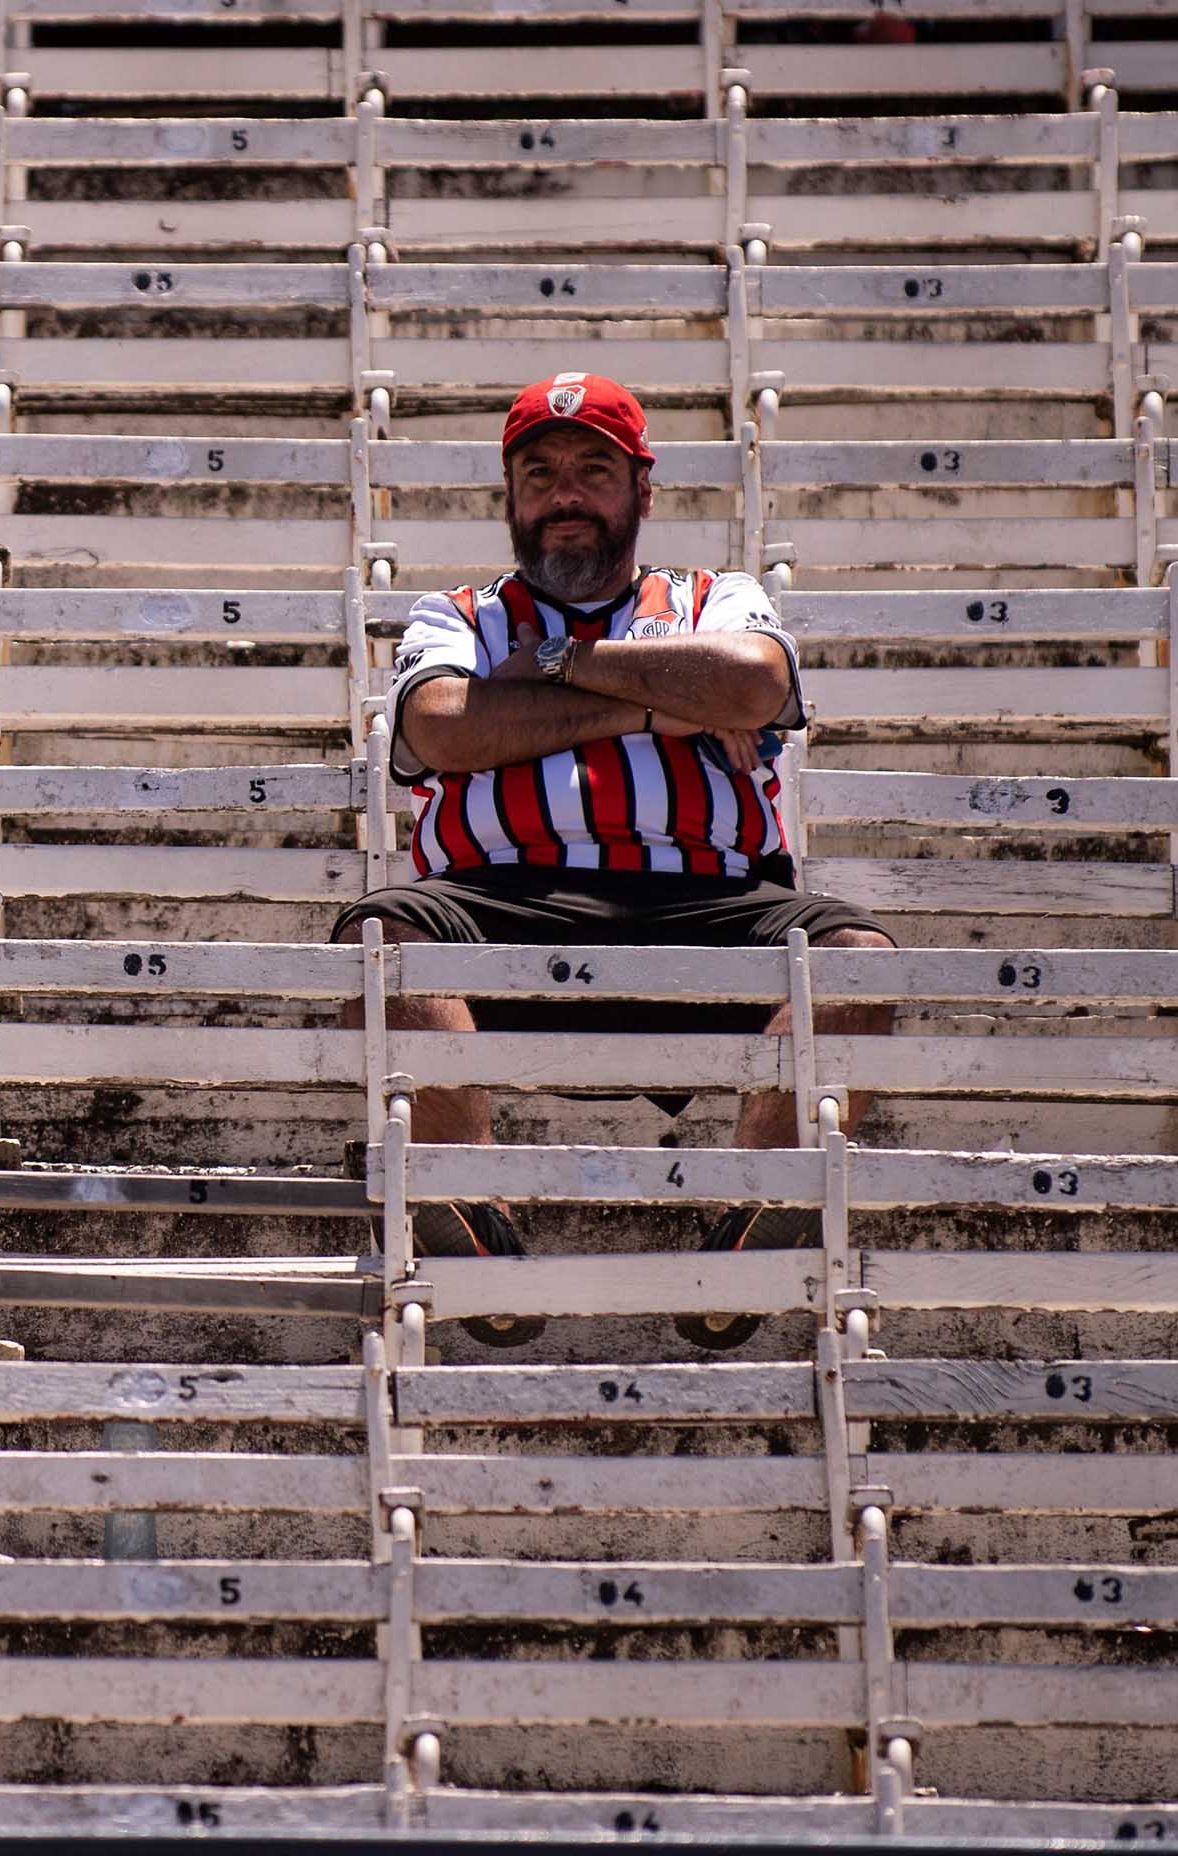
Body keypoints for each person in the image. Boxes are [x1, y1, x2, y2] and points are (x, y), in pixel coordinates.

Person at [332, 371, 896, 1351]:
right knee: (379, 940)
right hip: (501, 899)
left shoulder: (719, 597)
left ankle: (754, 1228)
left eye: (594, 469)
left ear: (643, 490)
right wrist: (660, 704)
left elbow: (756, 681)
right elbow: (442, 725)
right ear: (510, 493)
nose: (565, 491)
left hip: (710, 900)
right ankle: (476, 1224)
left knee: (859, 958)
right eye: (539, 470)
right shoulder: (456, 613)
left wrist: (555, 665)